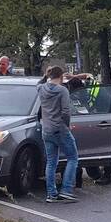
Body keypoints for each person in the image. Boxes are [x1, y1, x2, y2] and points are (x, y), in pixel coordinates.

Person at [37, 66, 77, 203]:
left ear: (49, 76)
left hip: (46, 130)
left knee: (51, 162)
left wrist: (45, 75)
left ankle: (51, 194)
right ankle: (66, 190)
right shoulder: (62, 90)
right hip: (60, 129)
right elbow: (66, 111)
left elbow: (38, 83)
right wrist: (67, 125)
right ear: (61, 77)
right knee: (72, 157)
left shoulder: (41, 89)